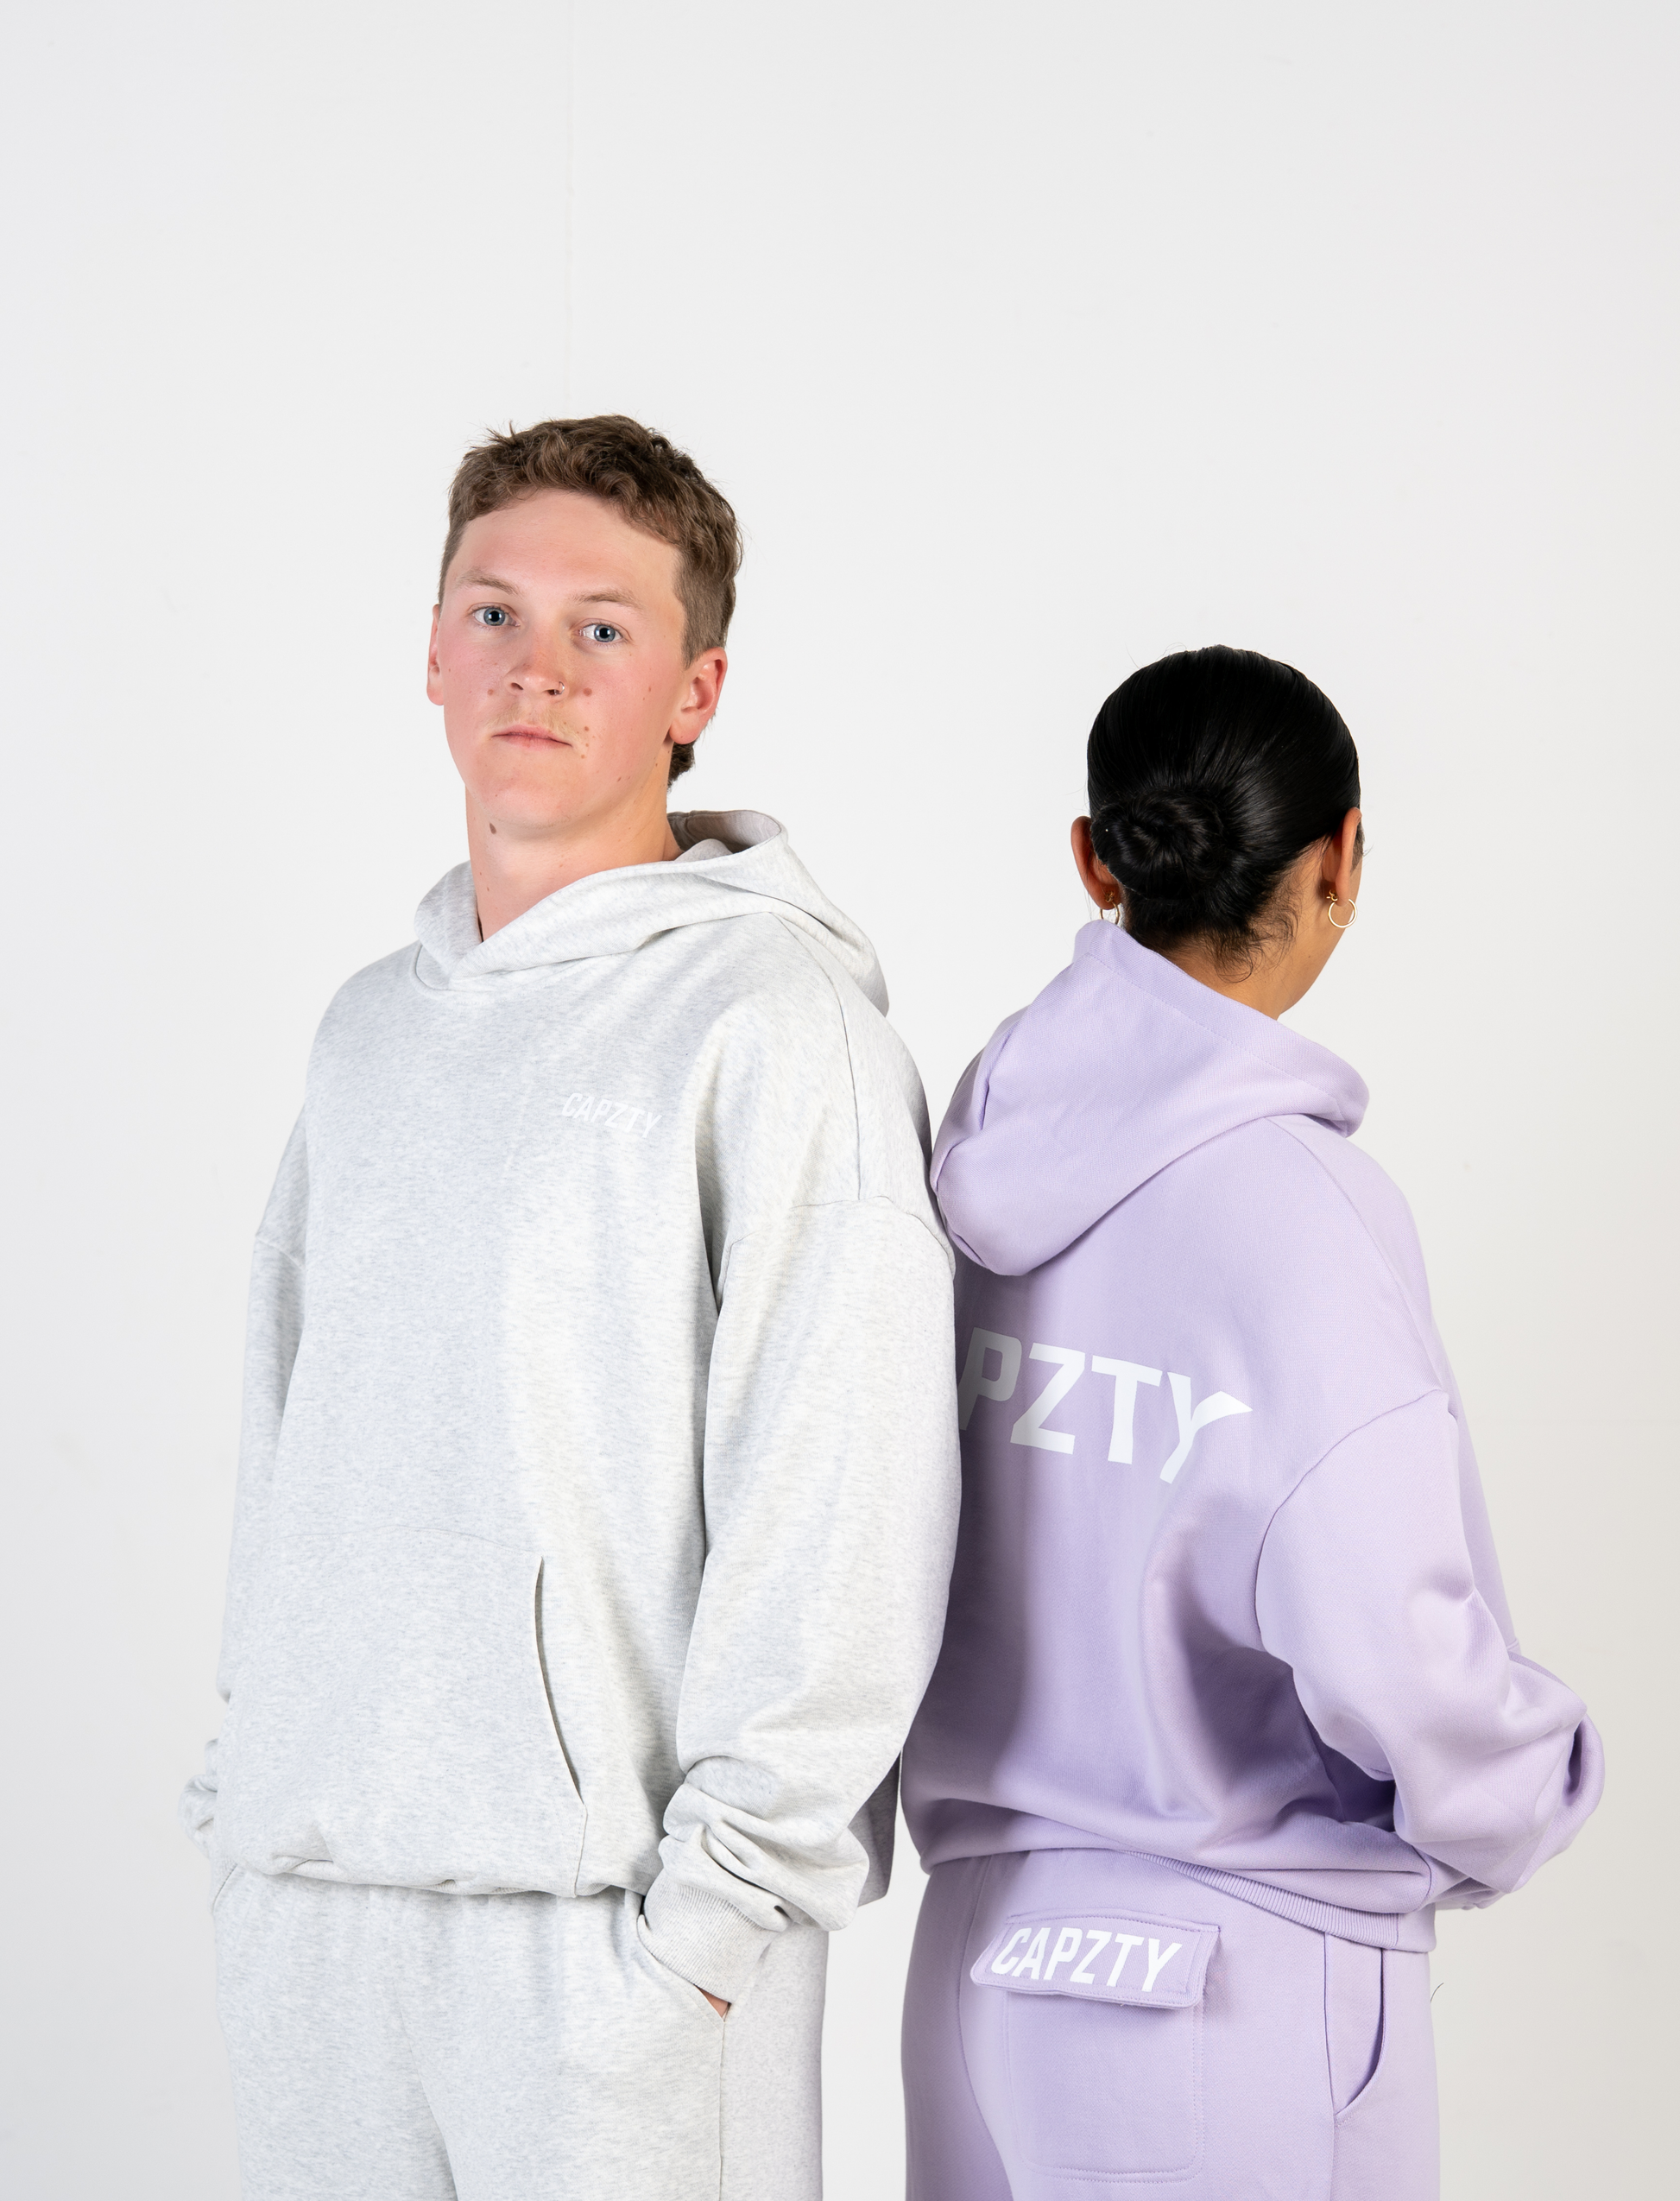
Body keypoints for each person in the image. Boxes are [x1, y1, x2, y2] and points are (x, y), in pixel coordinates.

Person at [180, 416, 959, 2201]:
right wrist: (247, 1808)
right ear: (431, 650)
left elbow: (842, 1499)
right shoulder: (368, 1033)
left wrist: (714, 1917)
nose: (533, 666)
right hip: (317, 1916)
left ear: (696, 689)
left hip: (614, 1950)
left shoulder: (777, 1030)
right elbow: (285, 1429)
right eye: (494, 612)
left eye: (600, 626)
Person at [900, 647, 1601, 2200]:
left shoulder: (959, 1172)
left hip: (975, 1965)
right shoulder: (1300, 1215)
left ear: (1095, 860)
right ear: (1339, 858)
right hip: (1223, 1975)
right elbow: (1386, 1633)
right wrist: (1520, 1788)